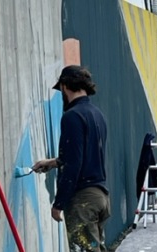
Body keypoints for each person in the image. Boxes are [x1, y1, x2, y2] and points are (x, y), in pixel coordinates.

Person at [33, 65, 110, 252]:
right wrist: (52, 163)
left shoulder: (72, 116)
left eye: (61, 89)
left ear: (65, 86)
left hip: (83, 201)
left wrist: (58, 203)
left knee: (85, 249)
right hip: (100, 197)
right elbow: (84, 154)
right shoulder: (97, 114)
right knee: (95, 248)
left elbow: (74, 164)